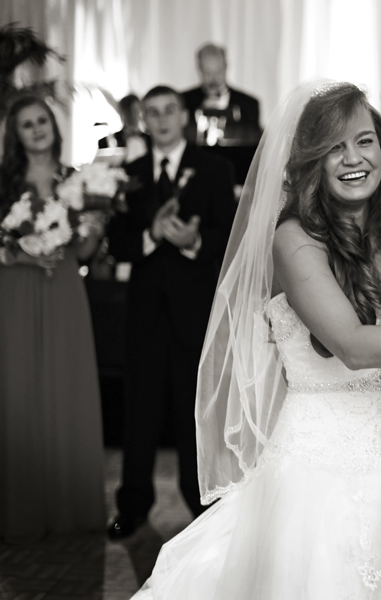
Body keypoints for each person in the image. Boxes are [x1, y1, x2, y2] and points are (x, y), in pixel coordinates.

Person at [130, 81, 381, 599]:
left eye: (363, 140)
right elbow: (354, 344)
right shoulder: (293, 240)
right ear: (310, 162)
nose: (352, 158)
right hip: (325, 476)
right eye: (333, 147)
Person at [106, 86, 237, 539]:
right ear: (143, 120)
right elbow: (118, 243)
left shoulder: (214, 169)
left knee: (192, 413)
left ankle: (200, 505)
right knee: (138, 412)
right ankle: (133, 505)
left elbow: (230, 237)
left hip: (194, 312)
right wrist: (150, 234)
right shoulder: (131, 173)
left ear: (183, 116)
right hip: (143, 313)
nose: (160, 120)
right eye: (152, 113)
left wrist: (193, 243)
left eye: (168, 111)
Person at [0, 96, 107, 541]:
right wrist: (24, 254)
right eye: (27, 124)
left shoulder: (77, 180)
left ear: (54, 127)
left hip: (64, 290)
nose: (37, 129)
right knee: (19, 391)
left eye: (42, 121)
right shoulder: (5, 184)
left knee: (67, 387)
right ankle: (21, 509)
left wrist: (96, 228)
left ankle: (72, 509)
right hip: (16, 294)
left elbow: (81, 253)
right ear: (15, 135)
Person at [182, 43, 261, 144]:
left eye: (218, 72)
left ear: (226, 67)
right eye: (208, 73)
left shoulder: (249, 104)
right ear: (199, 69)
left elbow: (252, 144)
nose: (213, 79)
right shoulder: (183, 101)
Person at [97, 93, 151, 163]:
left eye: (139, 110)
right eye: (133, 111)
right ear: (123, 112)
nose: (138, 114)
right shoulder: (105, 142)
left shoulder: (150, 140)